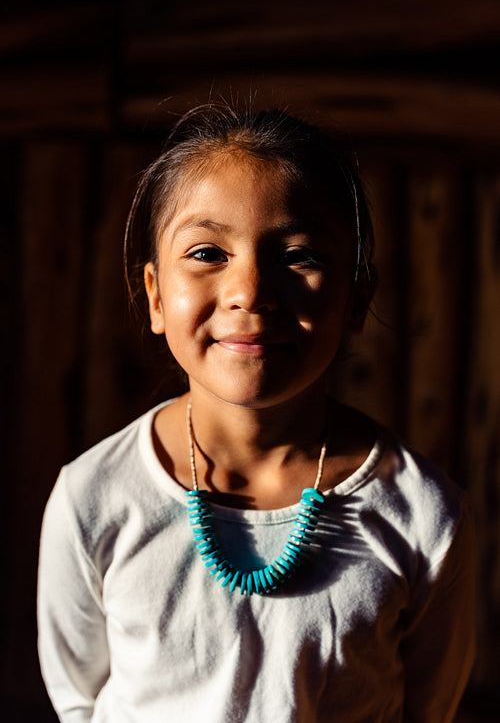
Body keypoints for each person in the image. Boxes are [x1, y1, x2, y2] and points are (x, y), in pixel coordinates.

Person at [37, 103, 475, 722]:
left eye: (298, 256)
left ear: (356, 299)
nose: (250, 291)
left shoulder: (423, 518)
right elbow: (78, 701)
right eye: (208, 253)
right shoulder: (96, 498)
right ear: (157, 296)